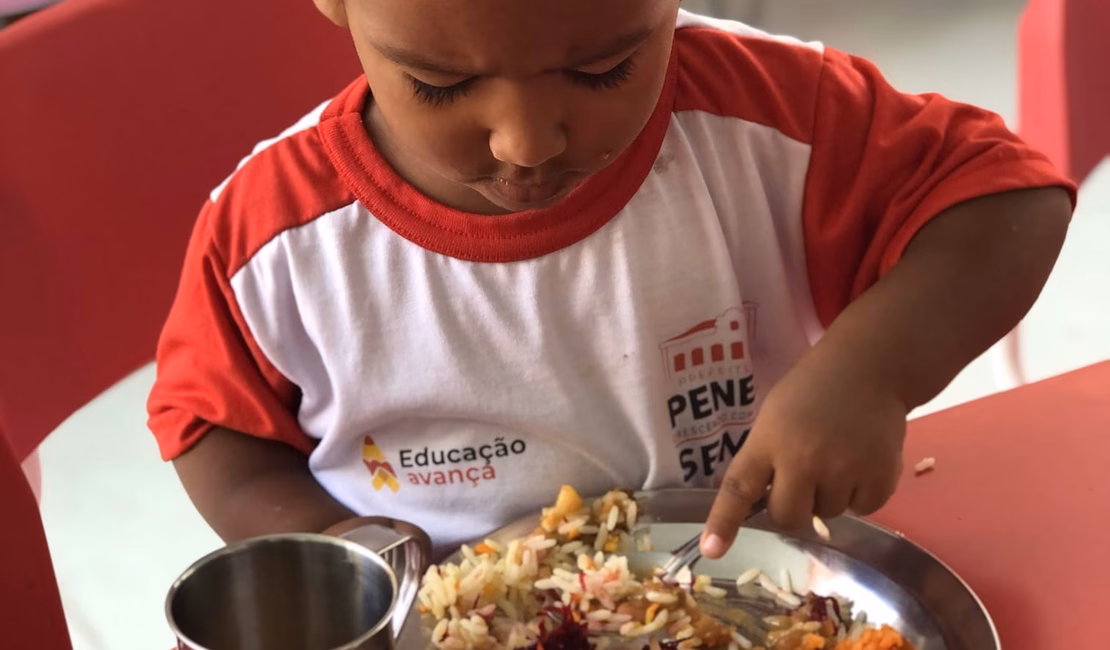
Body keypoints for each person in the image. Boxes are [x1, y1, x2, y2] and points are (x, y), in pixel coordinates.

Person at [147, 0, 1075, 559]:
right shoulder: (275, 239)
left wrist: (872, 372)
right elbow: (212, 428)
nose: (526, 144)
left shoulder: (775, 121)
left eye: (604, 69)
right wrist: (346, 555)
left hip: (743, 590)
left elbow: (1008, 199)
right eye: (438, 85)